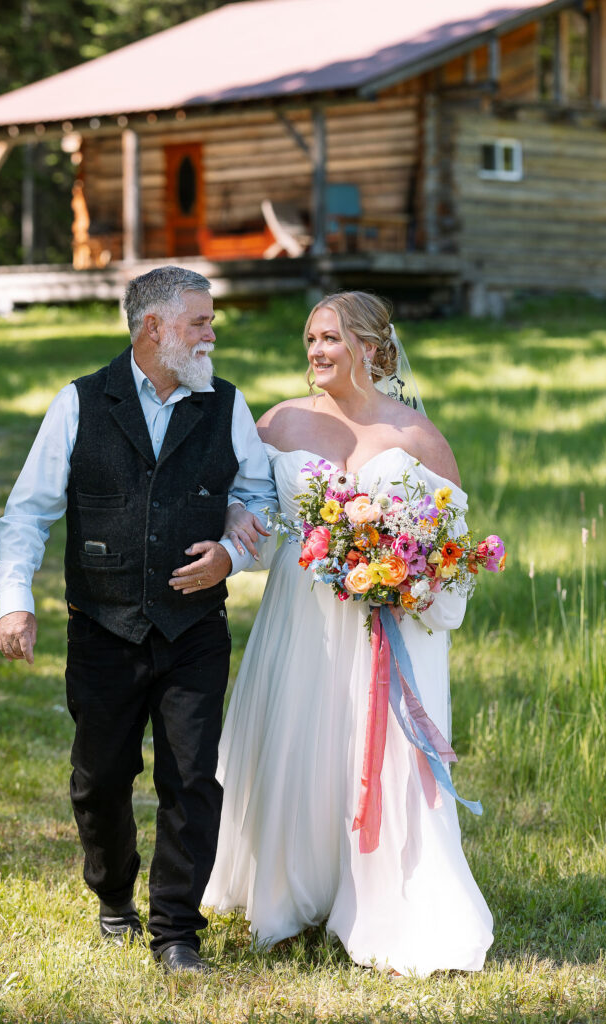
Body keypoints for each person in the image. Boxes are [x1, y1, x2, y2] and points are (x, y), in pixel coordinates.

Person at [0, 266, 276, 975]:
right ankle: (113, 895)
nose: (211, 334)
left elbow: (264, 505)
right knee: (99, 778)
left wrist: (231, 557)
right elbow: (27, 512)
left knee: (191, 779)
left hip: (192, 630)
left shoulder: (226, 405)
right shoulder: (79, 403)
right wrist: (15, 600)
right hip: (102, 626)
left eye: (210, 322)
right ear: (153, 327)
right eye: (199, 322)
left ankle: (176, 932)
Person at [204, 291, 493, 975]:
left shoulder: (417, 439)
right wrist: (230, 523)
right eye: (310, 339)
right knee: (301, 739)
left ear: (370, 348)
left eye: (331, 338)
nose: (316, 352)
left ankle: (387, 901)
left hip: (388, 627)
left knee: (385, 757)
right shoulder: (277, 423)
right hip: (301, 619)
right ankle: (290, 890)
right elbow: (231, 498)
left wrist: (407, 578)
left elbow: (452, 553)